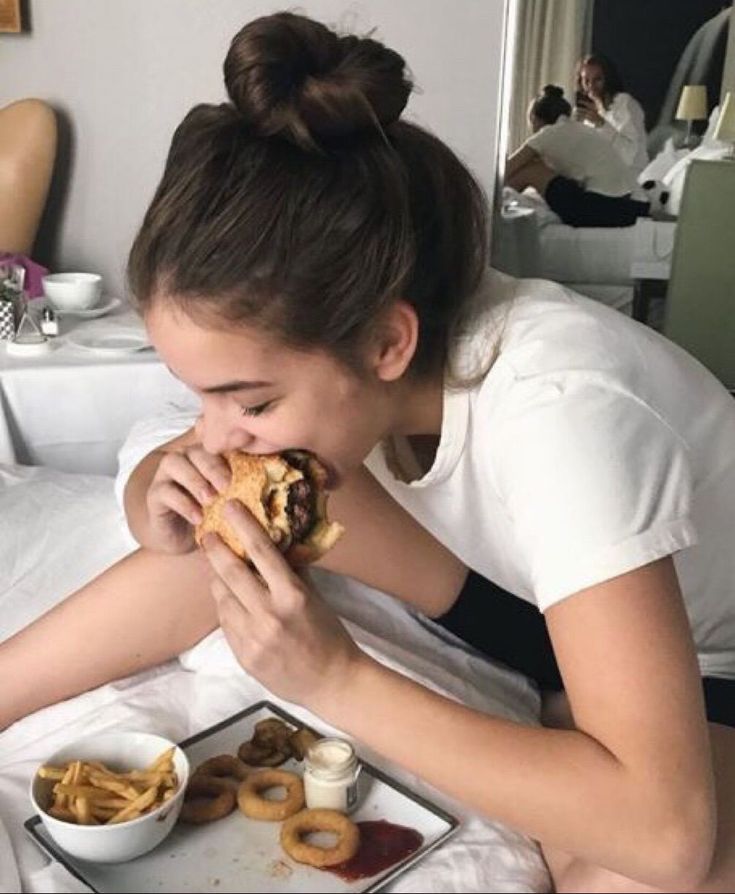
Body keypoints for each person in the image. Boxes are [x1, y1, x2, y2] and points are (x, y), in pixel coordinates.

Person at [2, 12, 735, 893]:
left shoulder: (562, 410)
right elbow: (174, 469)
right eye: (201, 395)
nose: (217, 431)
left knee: (626, 869)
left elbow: (668, 836)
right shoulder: (359, 370)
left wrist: (334, 677)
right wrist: (155, 492)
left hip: (698, 660)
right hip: (516, 610)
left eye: (252, 400)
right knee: (234, 532)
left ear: (389, 343)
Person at [504, 84, 652, 227]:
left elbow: (507, 169)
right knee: (536, 166)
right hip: (618, 202)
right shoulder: (576, 129)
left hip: (598, 206)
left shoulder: (548, 134)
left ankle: (493, 206)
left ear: (535, 119)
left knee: (531, 170)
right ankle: (502, 202)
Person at [574, 53, 649, 177]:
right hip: (601, 174)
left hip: (629, 176)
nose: (591, 86)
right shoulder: (593, 112)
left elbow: (630, 155)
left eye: (597, 79)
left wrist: (601, 124)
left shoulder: (625, 104)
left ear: (608, 79)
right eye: (586, 80)